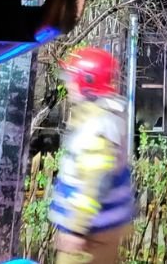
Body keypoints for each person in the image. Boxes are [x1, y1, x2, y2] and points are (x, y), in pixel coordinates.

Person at [49, 46, 135, 264]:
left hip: (89, 236)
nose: (67, 84)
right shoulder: (100, 118)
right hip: (98, 231)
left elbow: (95, 181)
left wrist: (76, 229)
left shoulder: (97, 125)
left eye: (71, 78)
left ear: (87, 83)